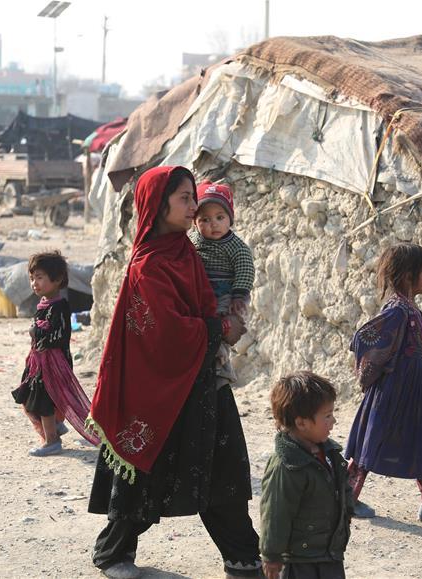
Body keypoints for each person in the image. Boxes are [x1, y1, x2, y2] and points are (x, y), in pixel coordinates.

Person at [86, 166, 261, 579]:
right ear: (157, 204)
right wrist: (220, 328)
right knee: (146, 467)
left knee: (225, 466)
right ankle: (113, 553)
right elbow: (165, 332)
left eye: (193, 197)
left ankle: (244, 559)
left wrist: (222, 321)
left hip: (204, 376)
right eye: (184, 198)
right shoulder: (148, 265)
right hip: (158, 389)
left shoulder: (188, 252)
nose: (194, 206)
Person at [344, 243, 422, 525]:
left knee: (420, 441)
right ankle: (347, 498)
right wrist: (373, 371)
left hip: (411, 390)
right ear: (408, 275)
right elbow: (364, 337)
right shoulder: (398, 311)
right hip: (393, 390)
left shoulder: (408, 308)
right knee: (371, 441)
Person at [260, 372, 352, 579]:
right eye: (327, 416)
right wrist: (271, 555)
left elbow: (342, 486)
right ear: (302, 423)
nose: (334, 420)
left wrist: (348, 510)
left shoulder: (330, 454)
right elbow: (275, 513)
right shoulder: (286, 466)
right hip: (299, 560)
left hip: (329, 554)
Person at [11, 250, 99, 456]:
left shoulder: (59, 307)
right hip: (39, 363)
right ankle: (56, 426)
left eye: (39, 277)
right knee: (31, 396)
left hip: (53, 364)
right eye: (32, 278)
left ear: (57, 279)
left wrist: (36, 331)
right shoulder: (44, 304)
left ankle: (52, 441)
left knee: (44, 401)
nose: (34, 283)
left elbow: (57, 336)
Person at [188, 181, 255, 388]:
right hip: (201, 296)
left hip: (224, 297)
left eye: (220, 217)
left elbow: (245, 269)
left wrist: (238, 296)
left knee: (219, 329)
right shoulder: (192, 241)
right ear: (195, 222)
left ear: (230, 219)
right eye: (205, 220)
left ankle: (221, 365)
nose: (213, 224)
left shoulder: (236, 246)